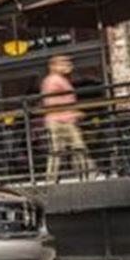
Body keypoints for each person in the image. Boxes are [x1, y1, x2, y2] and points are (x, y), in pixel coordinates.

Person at [41, 55, 88, 183]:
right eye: (63, 63)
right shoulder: (52, 80)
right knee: (68, 150)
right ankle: (84, 175)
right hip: (59, 120)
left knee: (72, 149)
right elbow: (51, 101)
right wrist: (73, 112)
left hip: (64, 119)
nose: (67, 65)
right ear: (53, 66)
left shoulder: (61, 80)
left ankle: (85, 175)